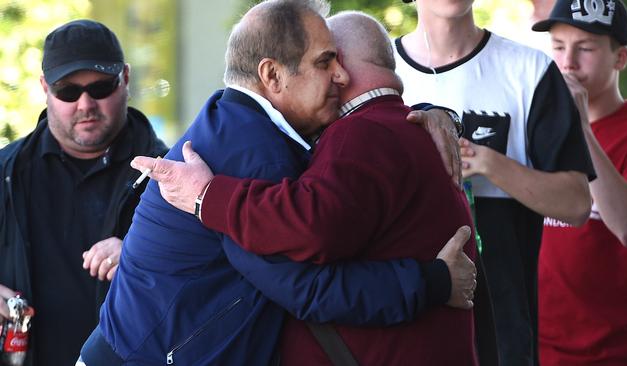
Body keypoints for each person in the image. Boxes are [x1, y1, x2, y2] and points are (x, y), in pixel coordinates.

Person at [80, 1, 478, 365]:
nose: (340, 75)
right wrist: (433, 282)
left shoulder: (236, 123)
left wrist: (426, 113)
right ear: (271, 74)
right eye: (325, 62)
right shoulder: (252, 157)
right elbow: (309, 290)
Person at [392, 0, 597, 365]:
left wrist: (486, 161)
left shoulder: (529, 69)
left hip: (502, 334)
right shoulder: (378, 73)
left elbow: (577, 203)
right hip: (402, 325)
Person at [0, 20, 167, 366]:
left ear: (125, 78)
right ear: (45, 87)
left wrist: (141, 258)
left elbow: (213, 282)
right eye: (68, 91)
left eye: (101, 87)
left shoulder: (170, 174)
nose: (85, 104)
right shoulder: (6, 172)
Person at [531, 1, 627, 364]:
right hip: (532, 348)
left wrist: (580, 128)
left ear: (620, 58)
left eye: (584, 48)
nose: (568, 62)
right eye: (558, 47)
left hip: (613, 353)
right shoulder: (535, 128)